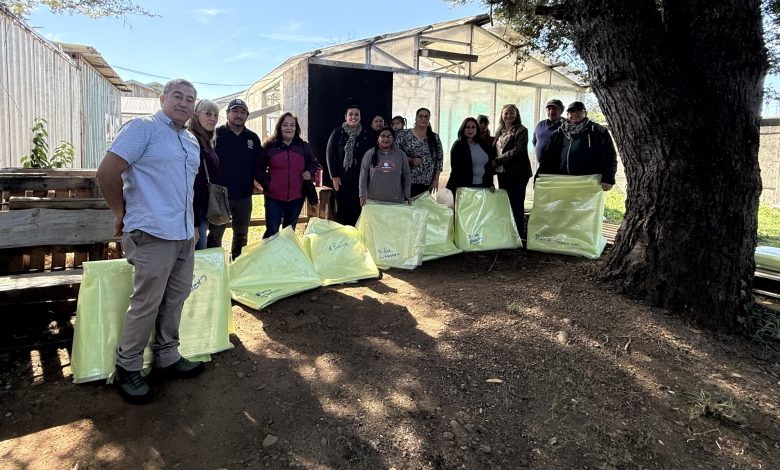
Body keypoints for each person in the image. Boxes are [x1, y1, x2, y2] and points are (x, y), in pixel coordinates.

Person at [96, 78, 205, 405]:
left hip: (182, 234)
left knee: (176, 298)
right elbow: (106, 173)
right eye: (177, 96)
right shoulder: (142, 129)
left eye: (190, 99)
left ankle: (167, 356)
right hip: (152, 232)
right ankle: (128, 366)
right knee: (147, 302)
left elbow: (184, 187)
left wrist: (191, 226)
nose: (184, 103)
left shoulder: (190, 140)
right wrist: (120, 212)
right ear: (162, 99)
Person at [206, 98, 262, 260]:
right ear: (227, 114)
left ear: (247, 115)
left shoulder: (253, 138)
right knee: (215, 235)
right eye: (235, 111)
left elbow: (259, 165)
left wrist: (264, 183)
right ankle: (214, 266)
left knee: (241, 234)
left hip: (244, 195)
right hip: (219, 195)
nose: (239, 115)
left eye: (242, 112)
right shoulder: (215, 134)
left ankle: (237, 263)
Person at [255, 112, 319, 238]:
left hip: (296, 198)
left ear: (296, 128)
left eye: (292, 125)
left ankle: (286, 252)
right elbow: (258, 169)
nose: (288, 128)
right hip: (273, 198)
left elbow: (313, 163)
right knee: (272, 231)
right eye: (285, 125)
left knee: (289, 232)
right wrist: (269, 184)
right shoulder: (269, 146)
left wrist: (309, 172)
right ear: (279, 127)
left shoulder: (303, 146)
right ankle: (268, 251)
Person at [538, 101, 618, 192]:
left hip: (588, 183)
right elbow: (546, 159)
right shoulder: (557, 134)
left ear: (585, 113)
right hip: (562, 182)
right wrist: (539, 178)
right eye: (571, 111)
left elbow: (610, 156)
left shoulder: (598, 131)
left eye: (579, 111)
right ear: (567, 114)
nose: (574, 114)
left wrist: (608, 179)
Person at [325, 104, 374, 226]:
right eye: (350, 114)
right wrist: (334, 176)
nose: (353, 117)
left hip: (360, 178)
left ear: (360, 117)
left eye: (356, 114)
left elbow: (372, 155)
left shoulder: (366, 133)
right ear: (345, 117)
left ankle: (355, 233)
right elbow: (330, 155)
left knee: (357, 207)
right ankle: (344, 233)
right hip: (341, 178)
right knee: (343, 207)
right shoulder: (337, 132)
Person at [493, 104, 532, 236]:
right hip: (502, 173)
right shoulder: (500, 130)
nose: (508, 115)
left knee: (516, 205)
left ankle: (519, 236)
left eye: (512, 113)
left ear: (516, 115)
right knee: (505, 204)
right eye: (506, 113)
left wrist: (497, 160)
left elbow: (518, 150)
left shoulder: (522, 130)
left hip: (517, 173)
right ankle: (508, 234)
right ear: (501, 115)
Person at [188, 99, 220, 249]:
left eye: (215, 115)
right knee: (198, 251)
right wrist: (194, 222)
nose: (212, 118)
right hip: (195, 208)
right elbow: (192, 182)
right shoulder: (192, 140)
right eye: (207, 114)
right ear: (196, 115)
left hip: (204, 207)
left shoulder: (206, 140)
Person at [394, 107, 444, 197]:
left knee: (423, 206)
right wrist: (410, 160)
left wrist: (436, 180)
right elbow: (395, 154)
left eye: (426, 116)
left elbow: (439, 160)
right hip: (407, 181)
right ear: (416, 118)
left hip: (427, 182)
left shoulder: (435, 138)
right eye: (420, 116)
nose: (423, 118)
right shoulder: (404, 135)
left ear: (429, 119)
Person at [359, 126, 411, 205]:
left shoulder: (401, 154)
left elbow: (406, 175)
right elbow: (363, 176)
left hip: (396, 200)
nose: (386, 139)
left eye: (389, 136)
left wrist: (407, 192)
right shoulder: (369, 154)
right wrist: (362, 195)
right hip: (374, 201)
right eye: (383, 136)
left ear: (393, 139)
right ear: (378, 138)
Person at [446, 117, 496, 194]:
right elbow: (456, 170)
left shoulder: (482, 144)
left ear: (477, 129)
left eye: (473, 127)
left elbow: (488, 166)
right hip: (464, 187)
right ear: (463, 129)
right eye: (467, 127)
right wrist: (459, 189)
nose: (470, 130)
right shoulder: (458, 145)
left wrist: (490, 183)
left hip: (482, 185)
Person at [532, 99, 565, 164]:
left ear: (561, 110)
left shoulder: (566, 125)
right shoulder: (540, 124)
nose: (551, 111)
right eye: (549, 109)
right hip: (542, 165)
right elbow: (534, 141)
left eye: (554, 109)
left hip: (558, 166)